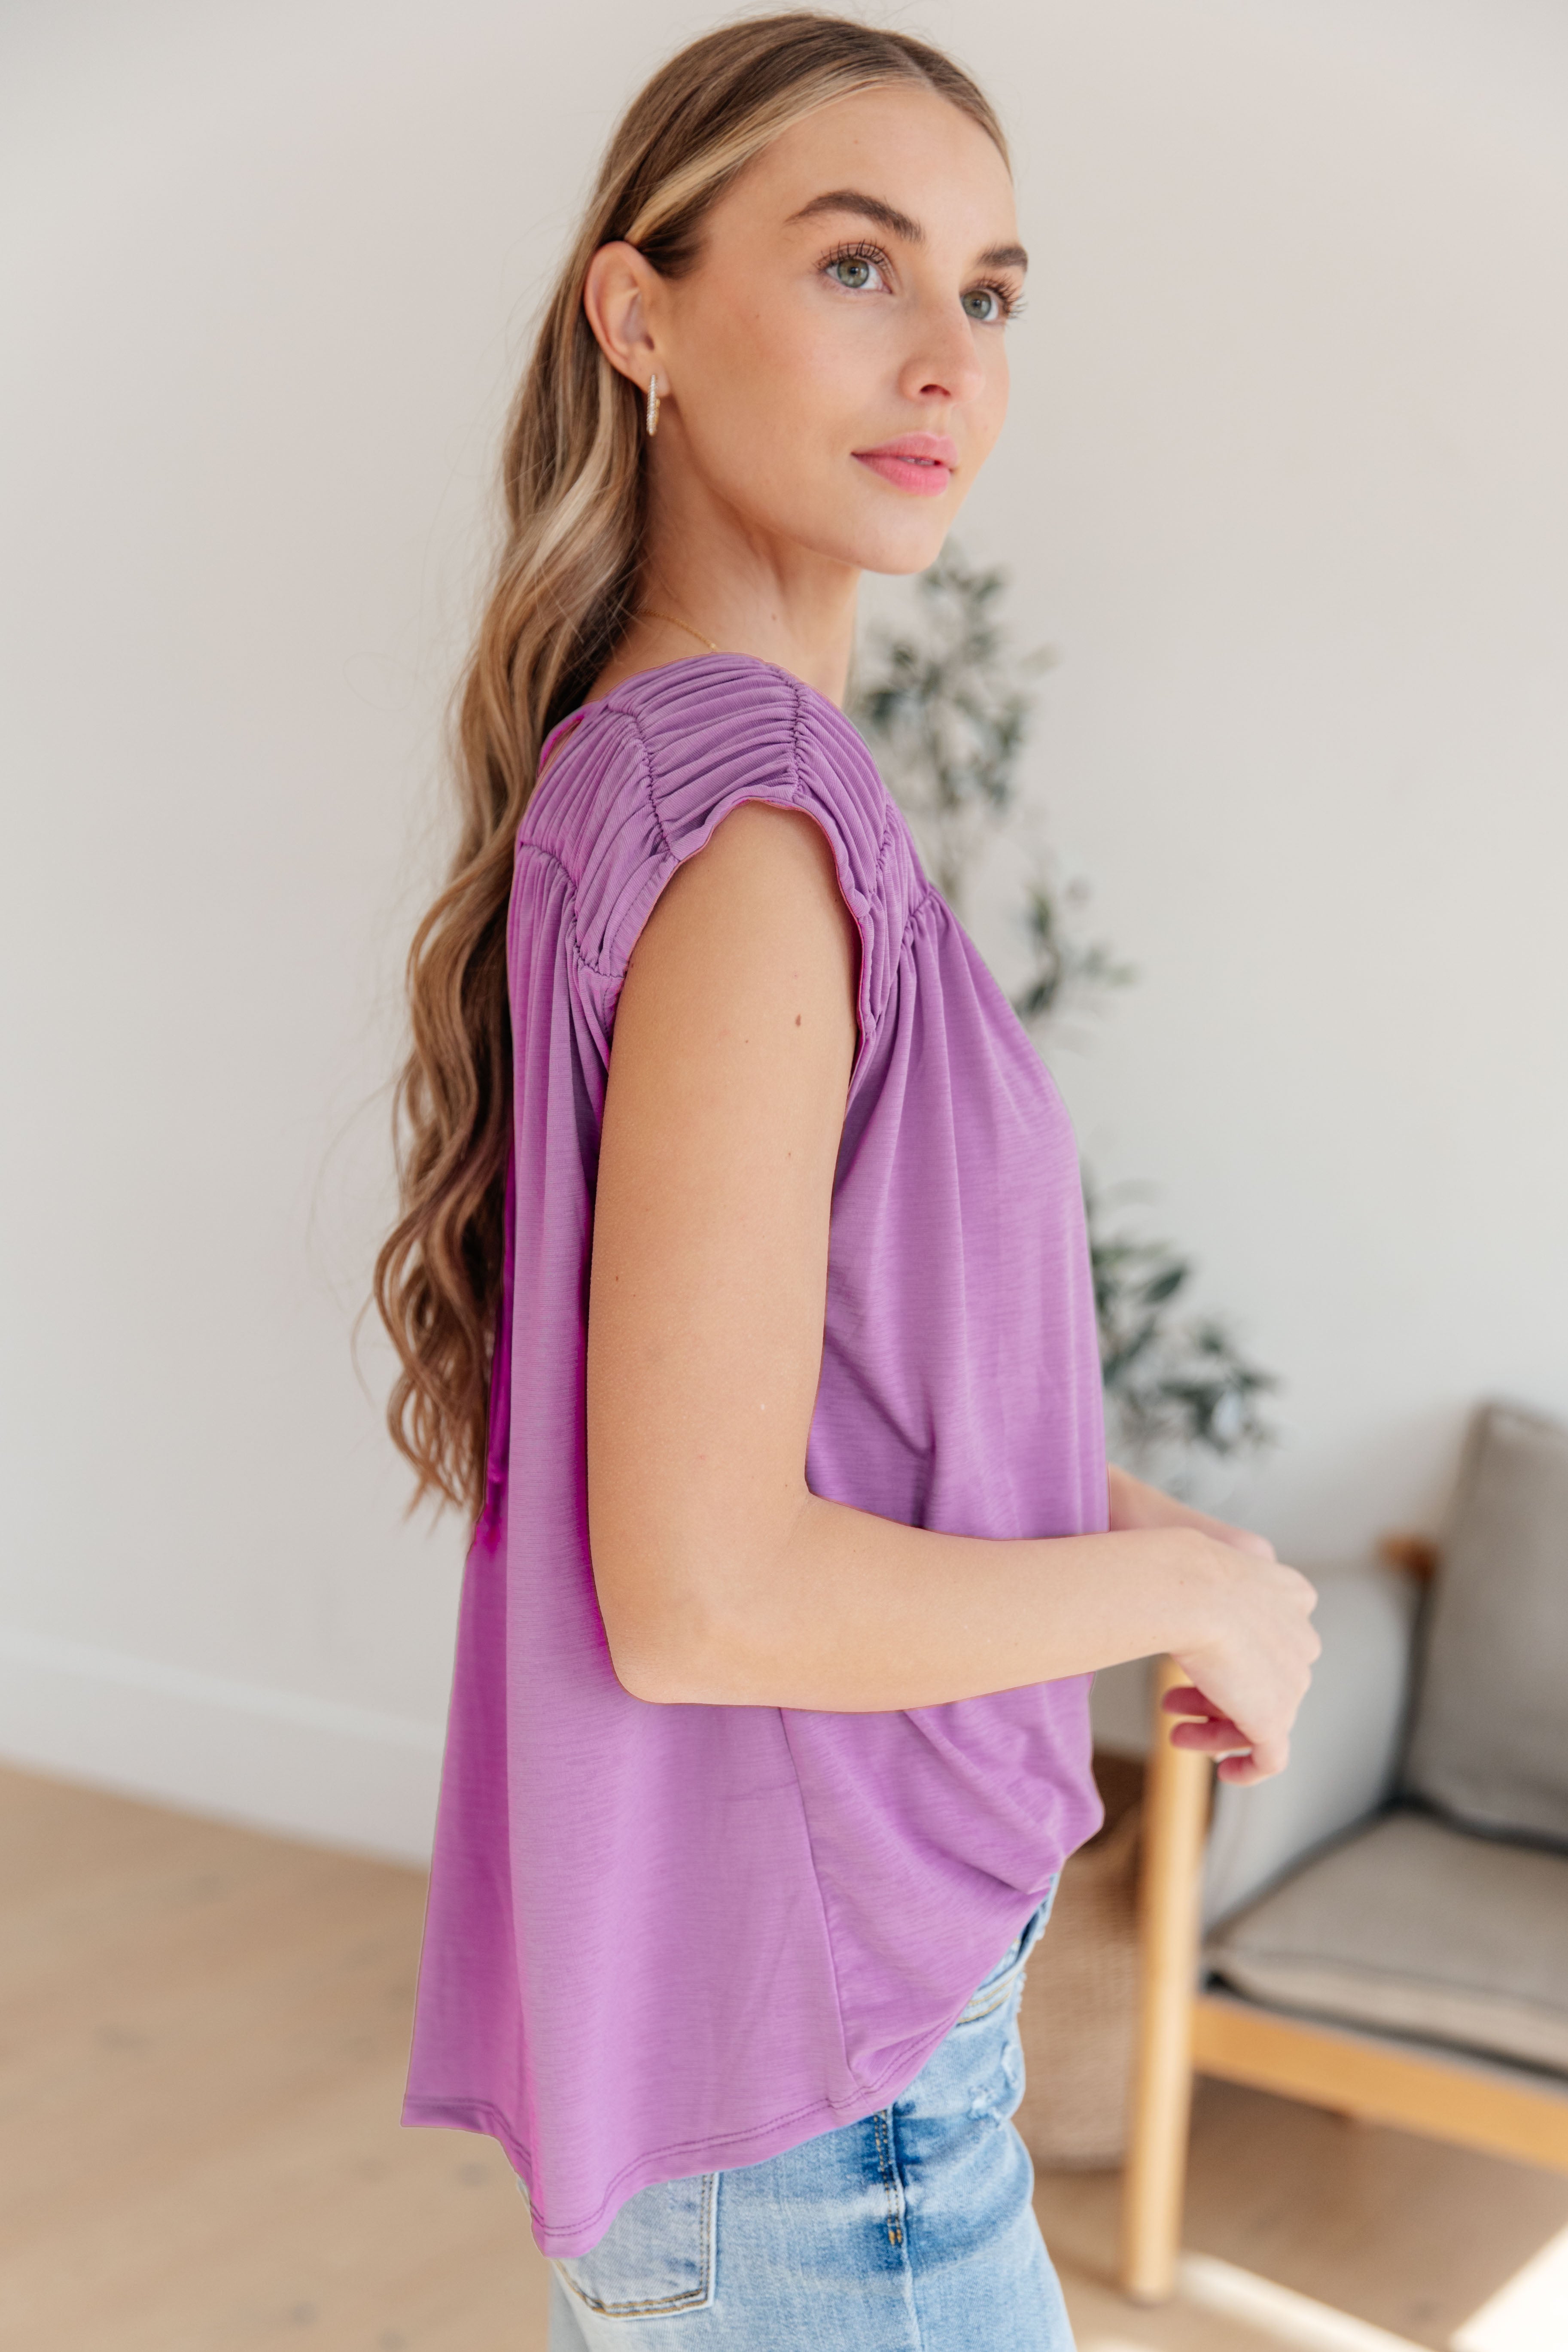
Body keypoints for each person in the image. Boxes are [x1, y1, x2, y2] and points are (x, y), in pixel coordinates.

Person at [374, 15, 1320, 2347]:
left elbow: (849, 1393)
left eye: (987, 292)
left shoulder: (661, 768)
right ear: (641, 315)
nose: (946, 361)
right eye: (858, 266)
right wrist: (1178, 1582)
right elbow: (705, 1591)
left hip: (800, 2080)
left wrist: (1158, 1549)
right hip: (831, 2123)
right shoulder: (751, 822)